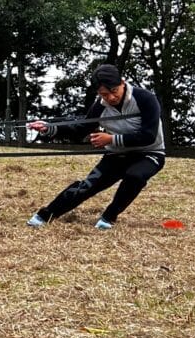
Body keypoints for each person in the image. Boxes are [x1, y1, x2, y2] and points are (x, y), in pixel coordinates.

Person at [25, 64, 165, 230]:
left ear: (122, 82)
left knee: (134, 176)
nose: (111, 97)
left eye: (114, 91)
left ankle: (109, 217)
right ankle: (45, 215)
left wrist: (111, 139)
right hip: (116, 154)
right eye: (104, 94)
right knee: (87, 186)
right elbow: (81, 128)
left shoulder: (145, 98)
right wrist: (50, 128)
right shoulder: (100, 106)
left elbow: (148, 135)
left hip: (150, 153)